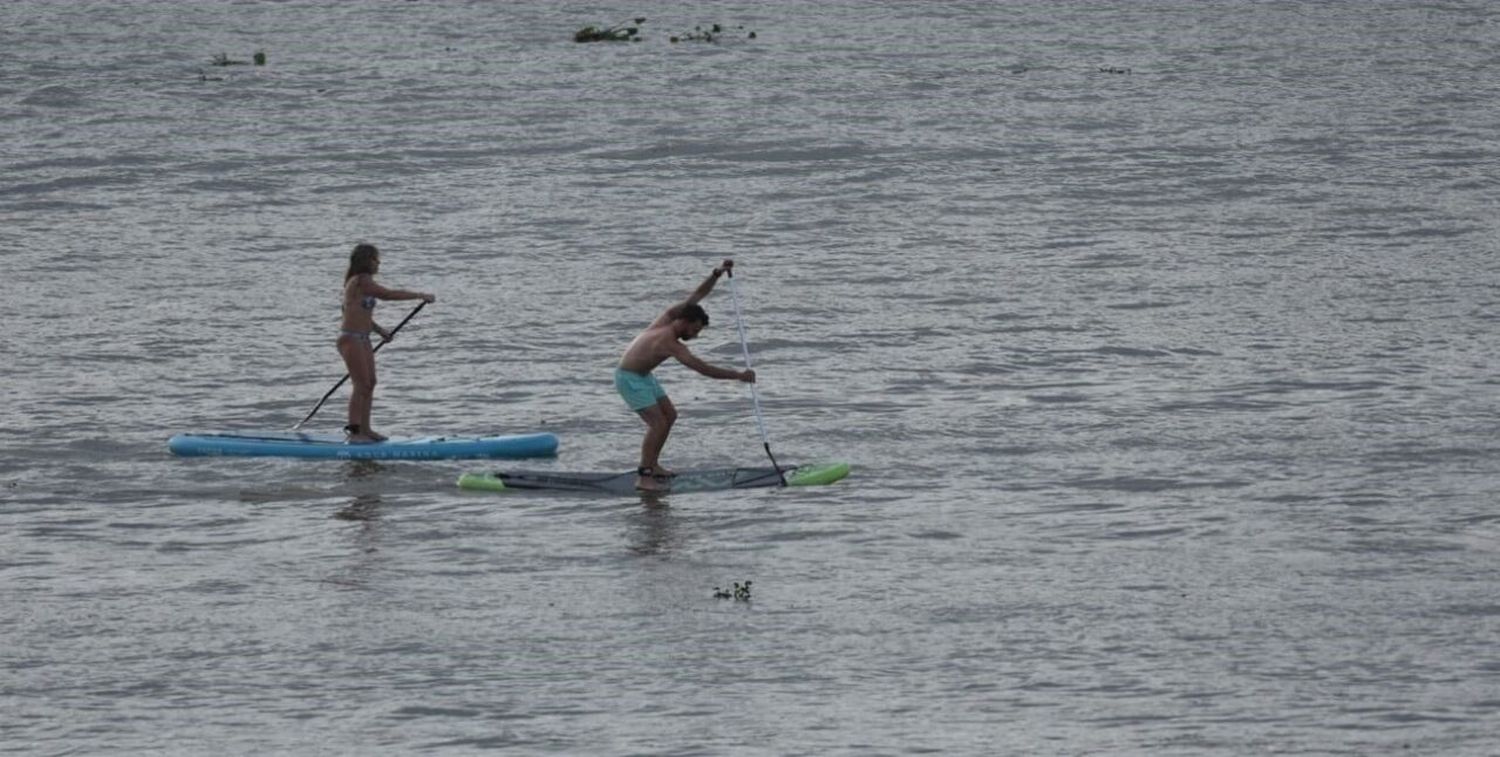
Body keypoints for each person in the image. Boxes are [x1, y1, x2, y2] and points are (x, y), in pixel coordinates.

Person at [616, 259, 755, 491]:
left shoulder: (670, 316)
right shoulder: (670, 343)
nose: (696, 335)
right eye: (695, 330)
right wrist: (738, 375)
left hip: (644, 376)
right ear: (685, 322)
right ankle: (644, 475)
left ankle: (654, 464)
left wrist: (716, 274)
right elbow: (703, 369)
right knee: (657, 424)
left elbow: (698, 294)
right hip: (628, 378)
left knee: (670, 415)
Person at [337, 243, 435, 443]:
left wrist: (380, 331)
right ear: (366, 261)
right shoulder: (360, 281)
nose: (378, 263)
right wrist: (419, 295)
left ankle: (366, 429)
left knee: (371, 383)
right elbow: (388, 295)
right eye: (375, 259)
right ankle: (354, 433)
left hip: (363, 338)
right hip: (350, 339)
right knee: (360, 384)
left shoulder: (364, 283)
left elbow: (361, 315)